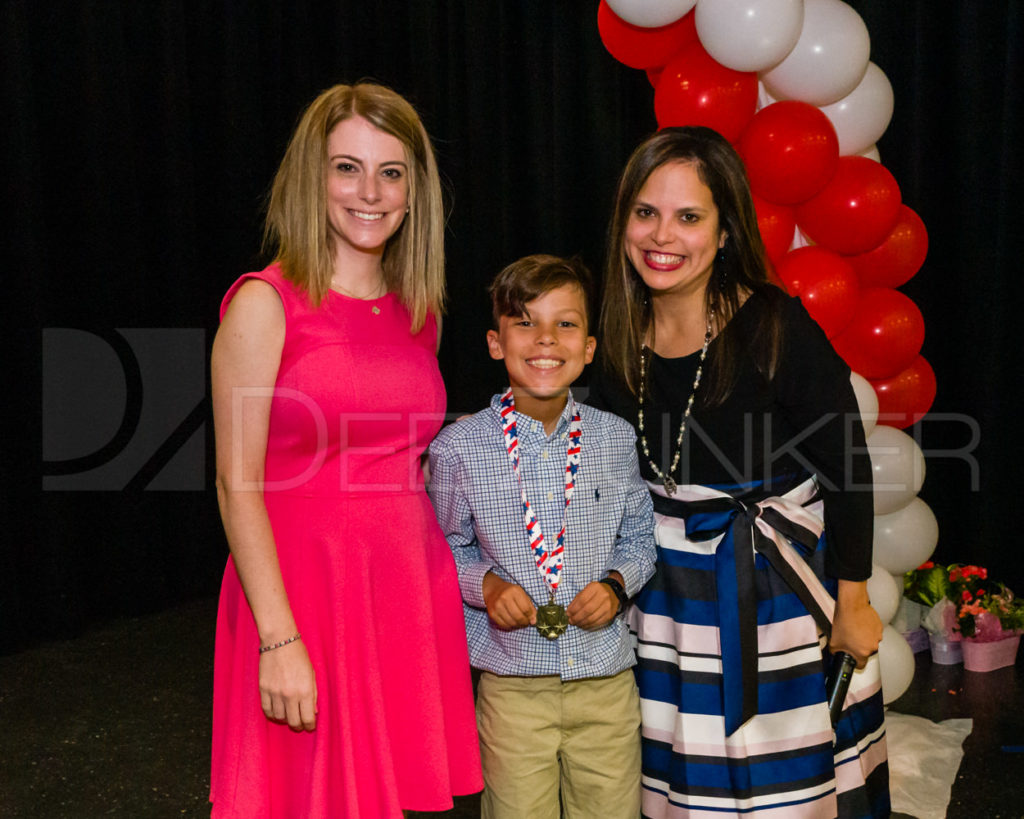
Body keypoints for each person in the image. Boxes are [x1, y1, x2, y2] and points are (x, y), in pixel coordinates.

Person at [587, 126, 890, 818]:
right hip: (664, 598)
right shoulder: (612, 336)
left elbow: (847, 465)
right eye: (645, 212)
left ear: (725, 232)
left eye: (689, 216)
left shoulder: (774, 325)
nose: (662, 235)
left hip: (771, 592)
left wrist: (853, 601)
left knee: (783, 786)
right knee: (681, 782)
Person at [209, 82, 482, 818]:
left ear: (412, 190)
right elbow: (236, 484)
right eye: (347, 168)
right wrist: (278, 639)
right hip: (301, 598)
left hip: (403, 593)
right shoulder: (265, 302)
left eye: (391, 172)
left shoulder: (417, 310)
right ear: (313, 176)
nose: (370, 192)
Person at [428, 254, 657, 818]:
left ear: (589, 347)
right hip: (512, 687)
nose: (546, 339)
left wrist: (615, 584)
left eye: (566, 324)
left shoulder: (614, 439)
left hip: (605, 679)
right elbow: (441, 549)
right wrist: (485, 586)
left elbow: (640, 537)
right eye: (525, 322)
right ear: (494, 343)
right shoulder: (458, 449)